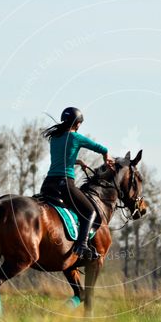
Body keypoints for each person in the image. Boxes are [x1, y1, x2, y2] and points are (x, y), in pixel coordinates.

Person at [39, 107, 115, 260]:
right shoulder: (75, 138)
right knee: (90, 212)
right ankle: (82, 245)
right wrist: (107, 156)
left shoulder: (55, 138)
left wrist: (77, 161)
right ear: (77, 124)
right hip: (64, 185)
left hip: (48, 184)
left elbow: (62, 159)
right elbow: (101, 148)